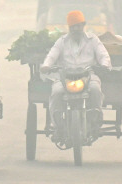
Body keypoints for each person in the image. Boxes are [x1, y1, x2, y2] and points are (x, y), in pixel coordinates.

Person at [40, 10, 111, 141]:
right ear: (69, 27)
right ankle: (58, 127)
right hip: (64, 77)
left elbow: (103, 54)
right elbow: (52, 55)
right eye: (74, 26)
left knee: (95, 90)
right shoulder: (61, 41)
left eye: (79, 26)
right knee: (56, 93)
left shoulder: (93, 39)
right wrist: (46, 65)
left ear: (83, 25)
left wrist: (105, 64)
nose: (76, 29)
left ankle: (95, 122)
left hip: (88, 75)